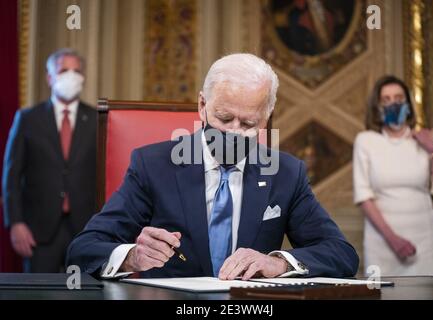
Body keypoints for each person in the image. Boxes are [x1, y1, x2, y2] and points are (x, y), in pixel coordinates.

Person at [66, 53, 358, 280]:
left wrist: (278, 263)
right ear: (202, 106)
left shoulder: (285, 173)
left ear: (265, 120)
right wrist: (133, 256)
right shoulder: (153, 166)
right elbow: (83, 249)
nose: (233, 132)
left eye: (248, 124)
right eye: (224, 117)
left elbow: (341, 254)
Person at [2, 48, 97, 272]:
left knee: (85, 293)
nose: (71, 76)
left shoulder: (96, 120)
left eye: (76, 71)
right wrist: (15, 223)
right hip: (39, 231)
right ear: (49, 77)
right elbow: (12, 176)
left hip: (86, 229)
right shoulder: (28, 118)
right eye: (64, 70)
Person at [353, 75, 433, 276]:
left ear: (408, 103)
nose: (393, 104)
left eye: (398, 98)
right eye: (386, 100)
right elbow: (364, 198)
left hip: (424, 239)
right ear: (377, 107)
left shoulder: (426, 140)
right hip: (382, 241)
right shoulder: (366, 141)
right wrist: (393, 240)